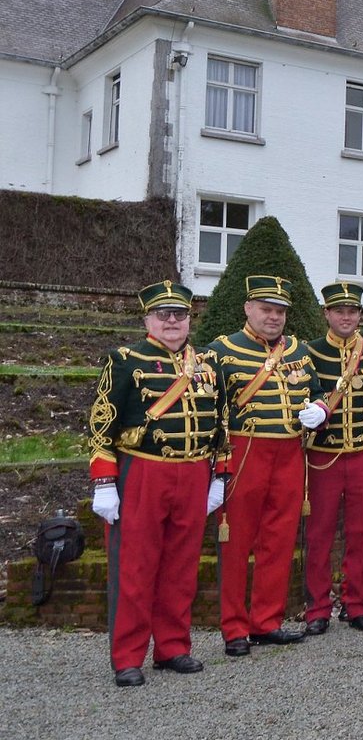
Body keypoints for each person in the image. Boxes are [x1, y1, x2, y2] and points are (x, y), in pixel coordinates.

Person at [88, 281, 223, 686]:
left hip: (195, 471)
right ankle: (128, 656)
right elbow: (100, 425)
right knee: (135, 566)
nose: (171, 321)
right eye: (163, 314)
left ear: (188, 319)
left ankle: (173, 647)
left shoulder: (208, 364)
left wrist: (219, 474)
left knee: (182, 567)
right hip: (144, 471)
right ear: (147, 318)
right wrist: (104, 482)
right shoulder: (125, 360)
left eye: (178, 314)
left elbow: (222, 424)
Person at [207, 274, 323, 656]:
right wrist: (216, 467)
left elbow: (319, 392)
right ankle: (234, 627)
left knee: (279, 539)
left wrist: (319, 410)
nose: (273, 317)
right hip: (243, 454)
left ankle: (266, 621)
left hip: (290, 454)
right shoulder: (221, 352)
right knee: (237, 542)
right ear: (248, 309)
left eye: (279, 311)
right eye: (266, 309)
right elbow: (211, 413)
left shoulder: (299, 352)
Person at [302, 282, 363, 635]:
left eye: (352, 311)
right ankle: (318, 608)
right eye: (339, 310)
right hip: (323, 456)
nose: (345, 316)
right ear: (326, 313)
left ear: (360, 315)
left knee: (362, 532)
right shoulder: (310, 351)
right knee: (320, 533)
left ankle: (356, 604)